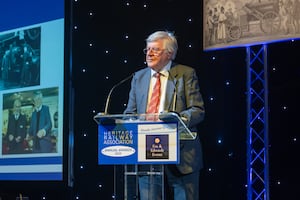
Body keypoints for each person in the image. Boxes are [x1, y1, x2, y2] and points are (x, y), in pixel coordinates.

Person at [124, 31, 205, 200]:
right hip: (147, 153)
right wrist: (128, 121)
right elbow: (130, 113)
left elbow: (197, 110)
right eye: (147, 50)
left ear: (169, 53)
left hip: (181, 154)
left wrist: (176, 120)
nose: (149, 54)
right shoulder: (138, 77)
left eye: (155, 50)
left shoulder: (185, 74)